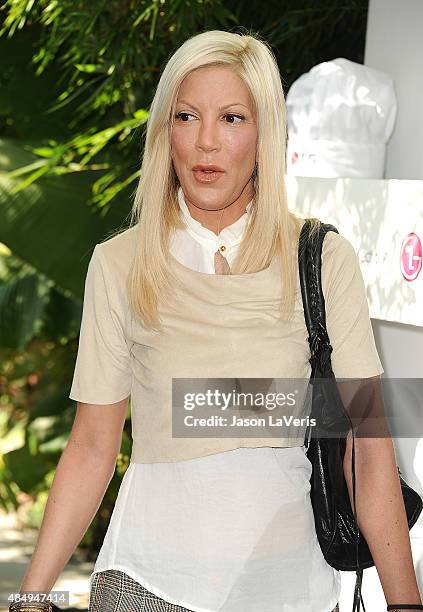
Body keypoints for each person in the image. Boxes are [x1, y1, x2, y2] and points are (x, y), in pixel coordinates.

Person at [14, 30, 422, 612]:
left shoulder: (323, 261)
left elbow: (368, 453)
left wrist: (406, 605)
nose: (206, 142)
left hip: (294, 595)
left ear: (265, 135)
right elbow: (90, 448)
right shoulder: (119, 264)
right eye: (187, 116)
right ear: (165, 133)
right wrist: (30, 600)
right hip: (145, 587)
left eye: (232, 118)